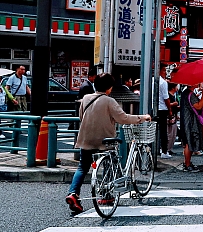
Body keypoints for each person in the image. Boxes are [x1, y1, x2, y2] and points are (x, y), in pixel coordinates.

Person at [65, 73, 151, 214]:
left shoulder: (86, 98)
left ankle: (73, 194)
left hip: (86, 138)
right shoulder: (109, 101)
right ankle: (106, 195)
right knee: (110, 164)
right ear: (109, 88)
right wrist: (143, 118)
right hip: (105, 140)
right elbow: (123, 118)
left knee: (82, 167)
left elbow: (81, 116)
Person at [179, 83, 203, 172]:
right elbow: (198, 106)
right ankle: (187, 164)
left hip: (186, 120)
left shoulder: (185, 93)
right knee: (189, 142)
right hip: (190, 121)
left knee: (188, 141)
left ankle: (187, 162)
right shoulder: (190, 94)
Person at [157, 63, 173, 159]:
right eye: (164, 70)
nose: (165, 73)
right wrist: (170, 110)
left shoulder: (151, 80)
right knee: (163, 131)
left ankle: (155, 149)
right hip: (162, 109)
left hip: (153, 108)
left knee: (153, 130)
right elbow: (166, 98)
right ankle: (164, 151)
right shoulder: (163, 82)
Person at [167, 83, 179, 153]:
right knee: (170, 134)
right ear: (173, 88)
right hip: (170, 117)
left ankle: (170, 148)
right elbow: (167, 104)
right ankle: (167, 149)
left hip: (174, 115)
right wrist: (173, 104)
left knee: (173, 134)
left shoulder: (173, 95)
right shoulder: (168, 95)